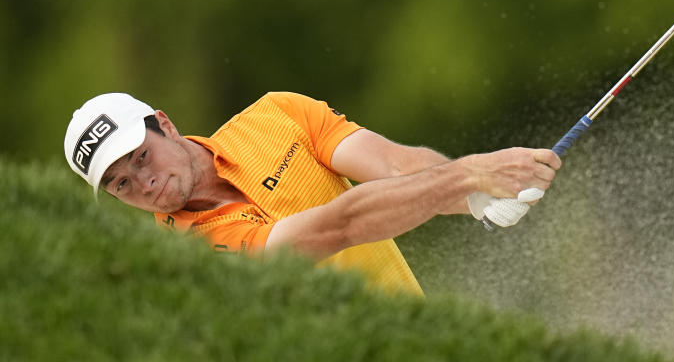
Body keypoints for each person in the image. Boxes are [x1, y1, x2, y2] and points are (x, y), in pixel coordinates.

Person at [63, 91, 562, 295]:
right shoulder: (189, 257)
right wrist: (468, 177)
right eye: (121, 184)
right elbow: (338, 226)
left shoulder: (275, 116)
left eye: (141, 157)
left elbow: (393, 166)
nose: (143, 183)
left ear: (166, 126)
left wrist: (478, 196)